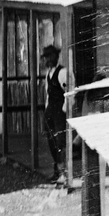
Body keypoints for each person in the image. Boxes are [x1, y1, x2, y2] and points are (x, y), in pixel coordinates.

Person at [41, 44, 68, 182]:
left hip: (60, 113)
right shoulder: (48, 74)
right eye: (46, 57)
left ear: (55, 57)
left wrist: (64, 110)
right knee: (51, 142)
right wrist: (47, 109)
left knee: (60, 142)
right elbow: (48, 94)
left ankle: (64, 174)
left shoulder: (63, 72)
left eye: (50, 57)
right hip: (50, 112)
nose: (47, 60)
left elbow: (70, 93)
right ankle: (57, 172)